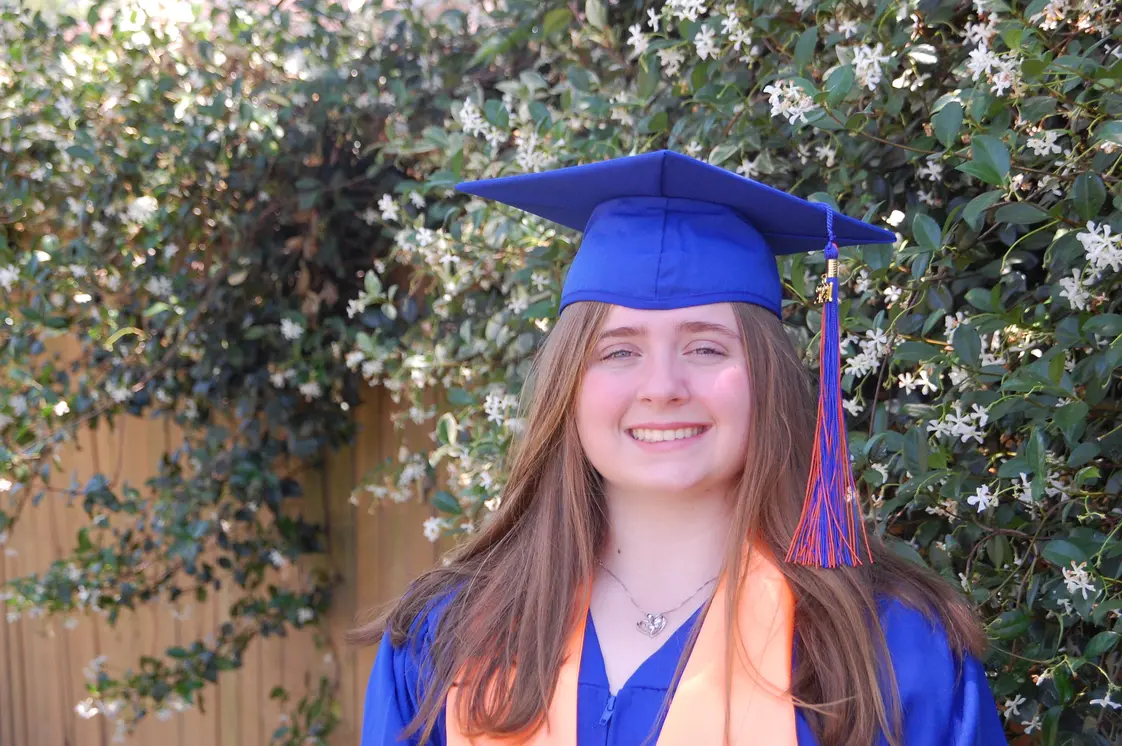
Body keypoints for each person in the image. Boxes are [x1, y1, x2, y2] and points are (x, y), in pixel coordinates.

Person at [353, 150, 1007, 746]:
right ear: (568, 386)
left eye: (706, 347)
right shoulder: (447, 637)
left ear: (769, 378)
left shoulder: (889, 647)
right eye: (619, 351)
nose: (663, 387)